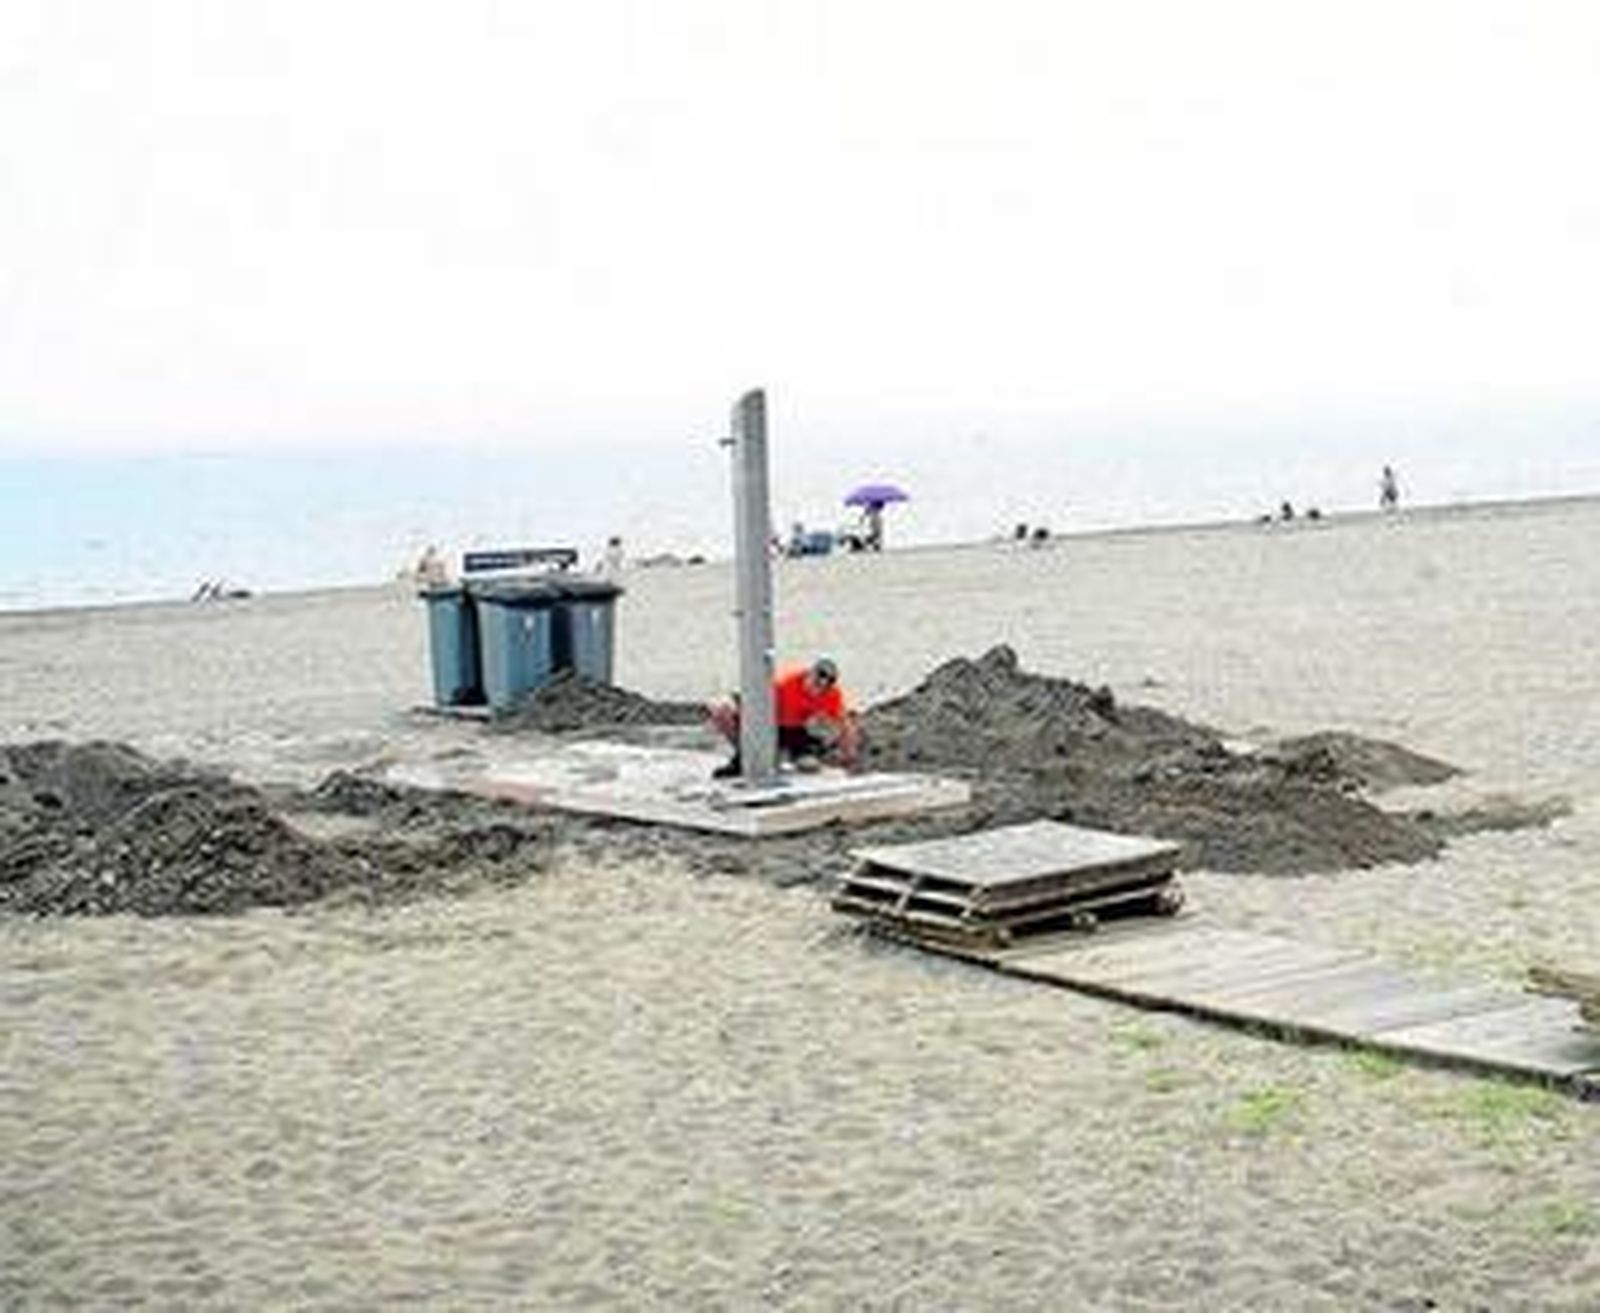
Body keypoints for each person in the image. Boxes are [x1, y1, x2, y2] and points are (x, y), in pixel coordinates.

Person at [708, 657, 861, 778]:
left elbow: (844, 724)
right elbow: (753, 702)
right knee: (726, 717)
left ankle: (793, 756)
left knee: (809, 765)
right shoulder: (786, 685)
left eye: (823, 687)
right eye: (816, 683)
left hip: (795, 730)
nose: (817, 689)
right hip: (769, 725)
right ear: (809, 674)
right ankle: (742, 759)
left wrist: (849, 756)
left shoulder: (831, 695)